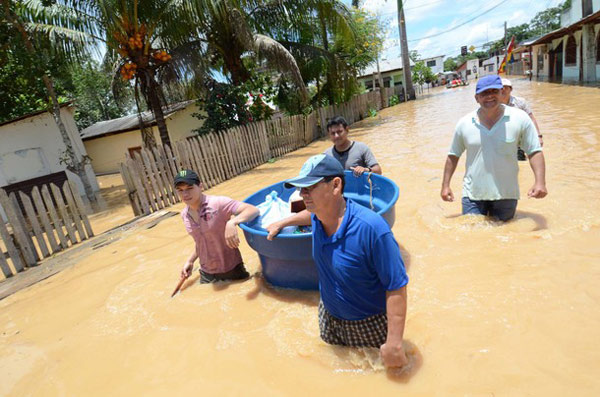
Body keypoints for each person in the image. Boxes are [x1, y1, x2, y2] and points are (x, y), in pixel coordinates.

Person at [267, 154, 409, 368]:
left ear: (335, 185)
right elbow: (308, 215)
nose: (302, 194)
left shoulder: (371, 229)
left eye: (309, 188)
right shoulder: (318, 215)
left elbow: (396, 286)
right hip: (329, 315)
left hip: (367, 323)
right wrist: (282, 222)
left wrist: (395, 343)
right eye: (301, 189)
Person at [441, 75, 547, 221]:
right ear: (476, 98)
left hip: (506, 193)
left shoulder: (520, 118)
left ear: (502, 93)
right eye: (484, 93)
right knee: (472, 232)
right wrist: (445, 186)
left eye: (494, 91)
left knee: (505, 234)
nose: (489, 96)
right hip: (472, 193)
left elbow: (534, 151)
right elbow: (453, 155)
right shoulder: (464, 123)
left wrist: (540, 182)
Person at [175, 169, 259, 283]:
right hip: (206, 274)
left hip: (232, 270)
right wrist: (190, 261)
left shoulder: (218, 203)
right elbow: (201, 241)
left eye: (189, 188)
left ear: (201, 187)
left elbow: (253, 210)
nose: (185, 194)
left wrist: (232, 222)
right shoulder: (184, 215)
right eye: (180, 190)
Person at [501, 78, 543, 160]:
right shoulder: (494, 104)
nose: (503, 90)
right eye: (501, 88)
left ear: (511, 89)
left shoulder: (520, 102)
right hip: (502, 140)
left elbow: (531, 118)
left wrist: (538, 136)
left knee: (521, 164)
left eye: (506, 87)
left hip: (518, 141)